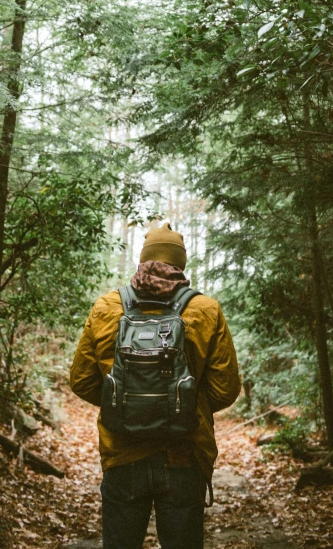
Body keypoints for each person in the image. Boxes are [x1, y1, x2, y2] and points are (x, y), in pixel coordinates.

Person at [70, 221, 241, 549]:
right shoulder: (206, 310)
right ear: (181, 264)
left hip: (122, 452)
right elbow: (225, 389)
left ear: (143, 260)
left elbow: (80, 381)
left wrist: (124, 404)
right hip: (184, 453)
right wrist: (182, 403)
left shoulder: (107, 307)